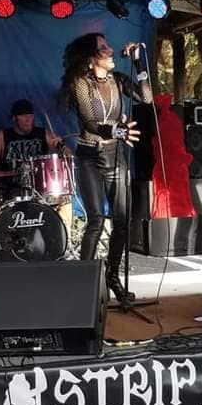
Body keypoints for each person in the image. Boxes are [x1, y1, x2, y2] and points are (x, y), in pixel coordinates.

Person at [60, 33, 150, 302]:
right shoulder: (80, 83)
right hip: (89, 156)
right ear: (90, 57)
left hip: (115, 155)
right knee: (97, 219)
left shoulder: (117, 80)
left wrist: (138, 64)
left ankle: (112, 276)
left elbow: (146, 97)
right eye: (103, 48)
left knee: (122, 220)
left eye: (108, 46)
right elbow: (89, 122)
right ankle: (84, 284)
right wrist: (117, 131)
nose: (110, 50)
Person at [0, 99, 66, 171]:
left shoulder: (43, 133)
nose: (28, 120)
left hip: (39, 183)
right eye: (24, 116)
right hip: (11, 184)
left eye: (30, 116)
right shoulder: (4, 135)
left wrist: (59, 146)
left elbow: (68, 156)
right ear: (14, 118)